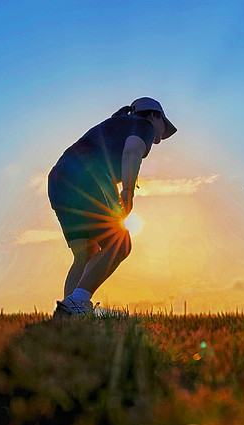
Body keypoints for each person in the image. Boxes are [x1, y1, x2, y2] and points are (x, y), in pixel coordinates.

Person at [47, 97, 177, 318]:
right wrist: (128, 191)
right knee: (121, 243)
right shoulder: (142, 124)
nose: (162, 134)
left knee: (85, 253)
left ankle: (70, 313)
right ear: (154, 115)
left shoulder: (113, 126)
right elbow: (132, 151)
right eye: (164, 124)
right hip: (87, 177)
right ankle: (78, 302)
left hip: (58, 179)